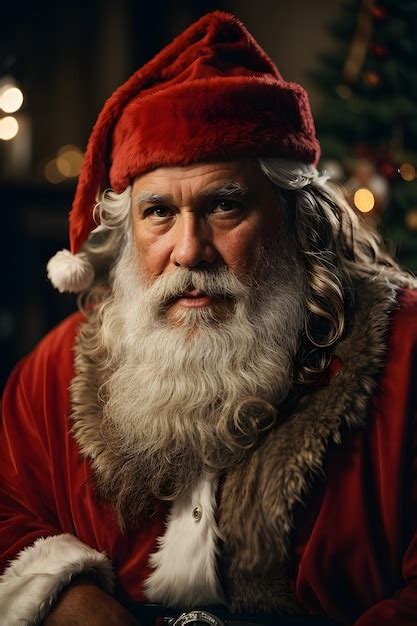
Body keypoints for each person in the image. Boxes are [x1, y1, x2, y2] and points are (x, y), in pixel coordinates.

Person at [0, 10, 416, 626]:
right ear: (130, 228)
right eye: (160, 212)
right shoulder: (56, 370)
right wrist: (63, 594)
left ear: (296, 218)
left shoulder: (405, 352)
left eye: (225, 205)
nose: (189, 250)